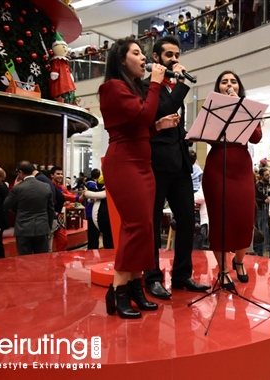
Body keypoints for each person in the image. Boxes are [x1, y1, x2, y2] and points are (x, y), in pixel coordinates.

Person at [99, 37, 180, 318]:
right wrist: (156, 82)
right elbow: (143, 117)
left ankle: (135, 287)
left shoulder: (130, 87)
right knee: (135, 227)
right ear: (122, 60)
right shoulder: (112, 87)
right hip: (125, 164)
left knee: (145, 228)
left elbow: (141, 125)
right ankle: (117, 291)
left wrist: (158, 125)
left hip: (142, 163)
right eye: (137, 53)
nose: (144, 58)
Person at [142, 35, 210, 298]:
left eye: (177, 55)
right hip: (157, 164)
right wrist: (182, 84)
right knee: (153, 222)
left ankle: (182, 276)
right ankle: (153, 277)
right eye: (169, 55)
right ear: (157, 58)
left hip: (181, 164)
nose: (175, 59)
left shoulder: (172, 88)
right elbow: (160, 112)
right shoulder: (149, 86)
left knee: (186, 221)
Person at [201, 70, 262, 288]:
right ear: (217, 88)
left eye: (233, 82)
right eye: (224, 81)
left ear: (239, 87)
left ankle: (239, 261)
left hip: (242, 170)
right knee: (219, 219)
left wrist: (240, 107)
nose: (229, 84)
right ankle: (223, 269)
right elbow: (205, 135)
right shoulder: (212, 109)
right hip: (217, 167)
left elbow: (256, 137)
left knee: (244, 218)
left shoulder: (249, 108)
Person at [3, 161, 55, 255]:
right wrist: (48, 226)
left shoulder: (18, 188)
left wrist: (13, 187)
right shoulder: (46, 186)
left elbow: (6, 205)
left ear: (20, 172)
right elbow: (51, 209)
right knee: (42, 260)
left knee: (24, 262)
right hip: (42, 228)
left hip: (23, 229)